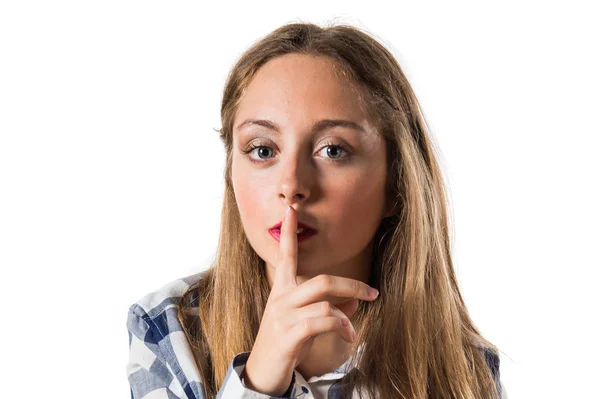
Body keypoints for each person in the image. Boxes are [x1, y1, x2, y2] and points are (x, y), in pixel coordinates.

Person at [125, 21, 506, 399]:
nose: (291, 185)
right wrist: (258, 381)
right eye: (262, 150)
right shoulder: (168, 328)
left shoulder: (461, 368)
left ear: (396, 184)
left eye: (333, 150)